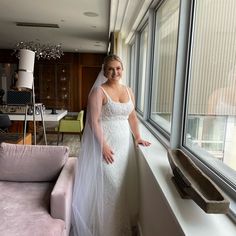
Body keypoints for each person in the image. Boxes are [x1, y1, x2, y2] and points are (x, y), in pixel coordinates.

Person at [71, 54, 151, 236]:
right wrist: (103, 146)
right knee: (110, 185)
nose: (115, 72)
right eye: (110, 69)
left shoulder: (129, 90)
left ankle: (119, 227)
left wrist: (137, 137)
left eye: (118, 68)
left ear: (122, 69)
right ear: (104, 71)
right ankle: (105, 229)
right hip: (106, 144)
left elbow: (132, 116)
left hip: (125, 146)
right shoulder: (98, 92)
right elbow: (94, 122)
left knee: (123, 186)